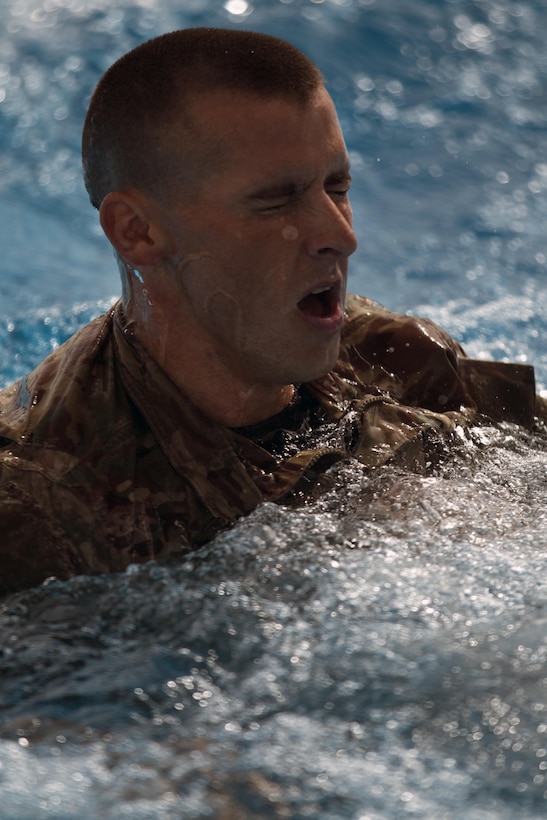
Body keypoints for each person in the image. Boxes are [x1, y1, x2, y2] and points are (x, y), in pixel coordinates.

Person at [0, 28, 544, 595]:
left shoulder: (398, 359)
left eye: (337, 186)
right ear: (139, 231)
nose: (341, 236)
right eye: (276, 200)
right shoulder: (39, 505)